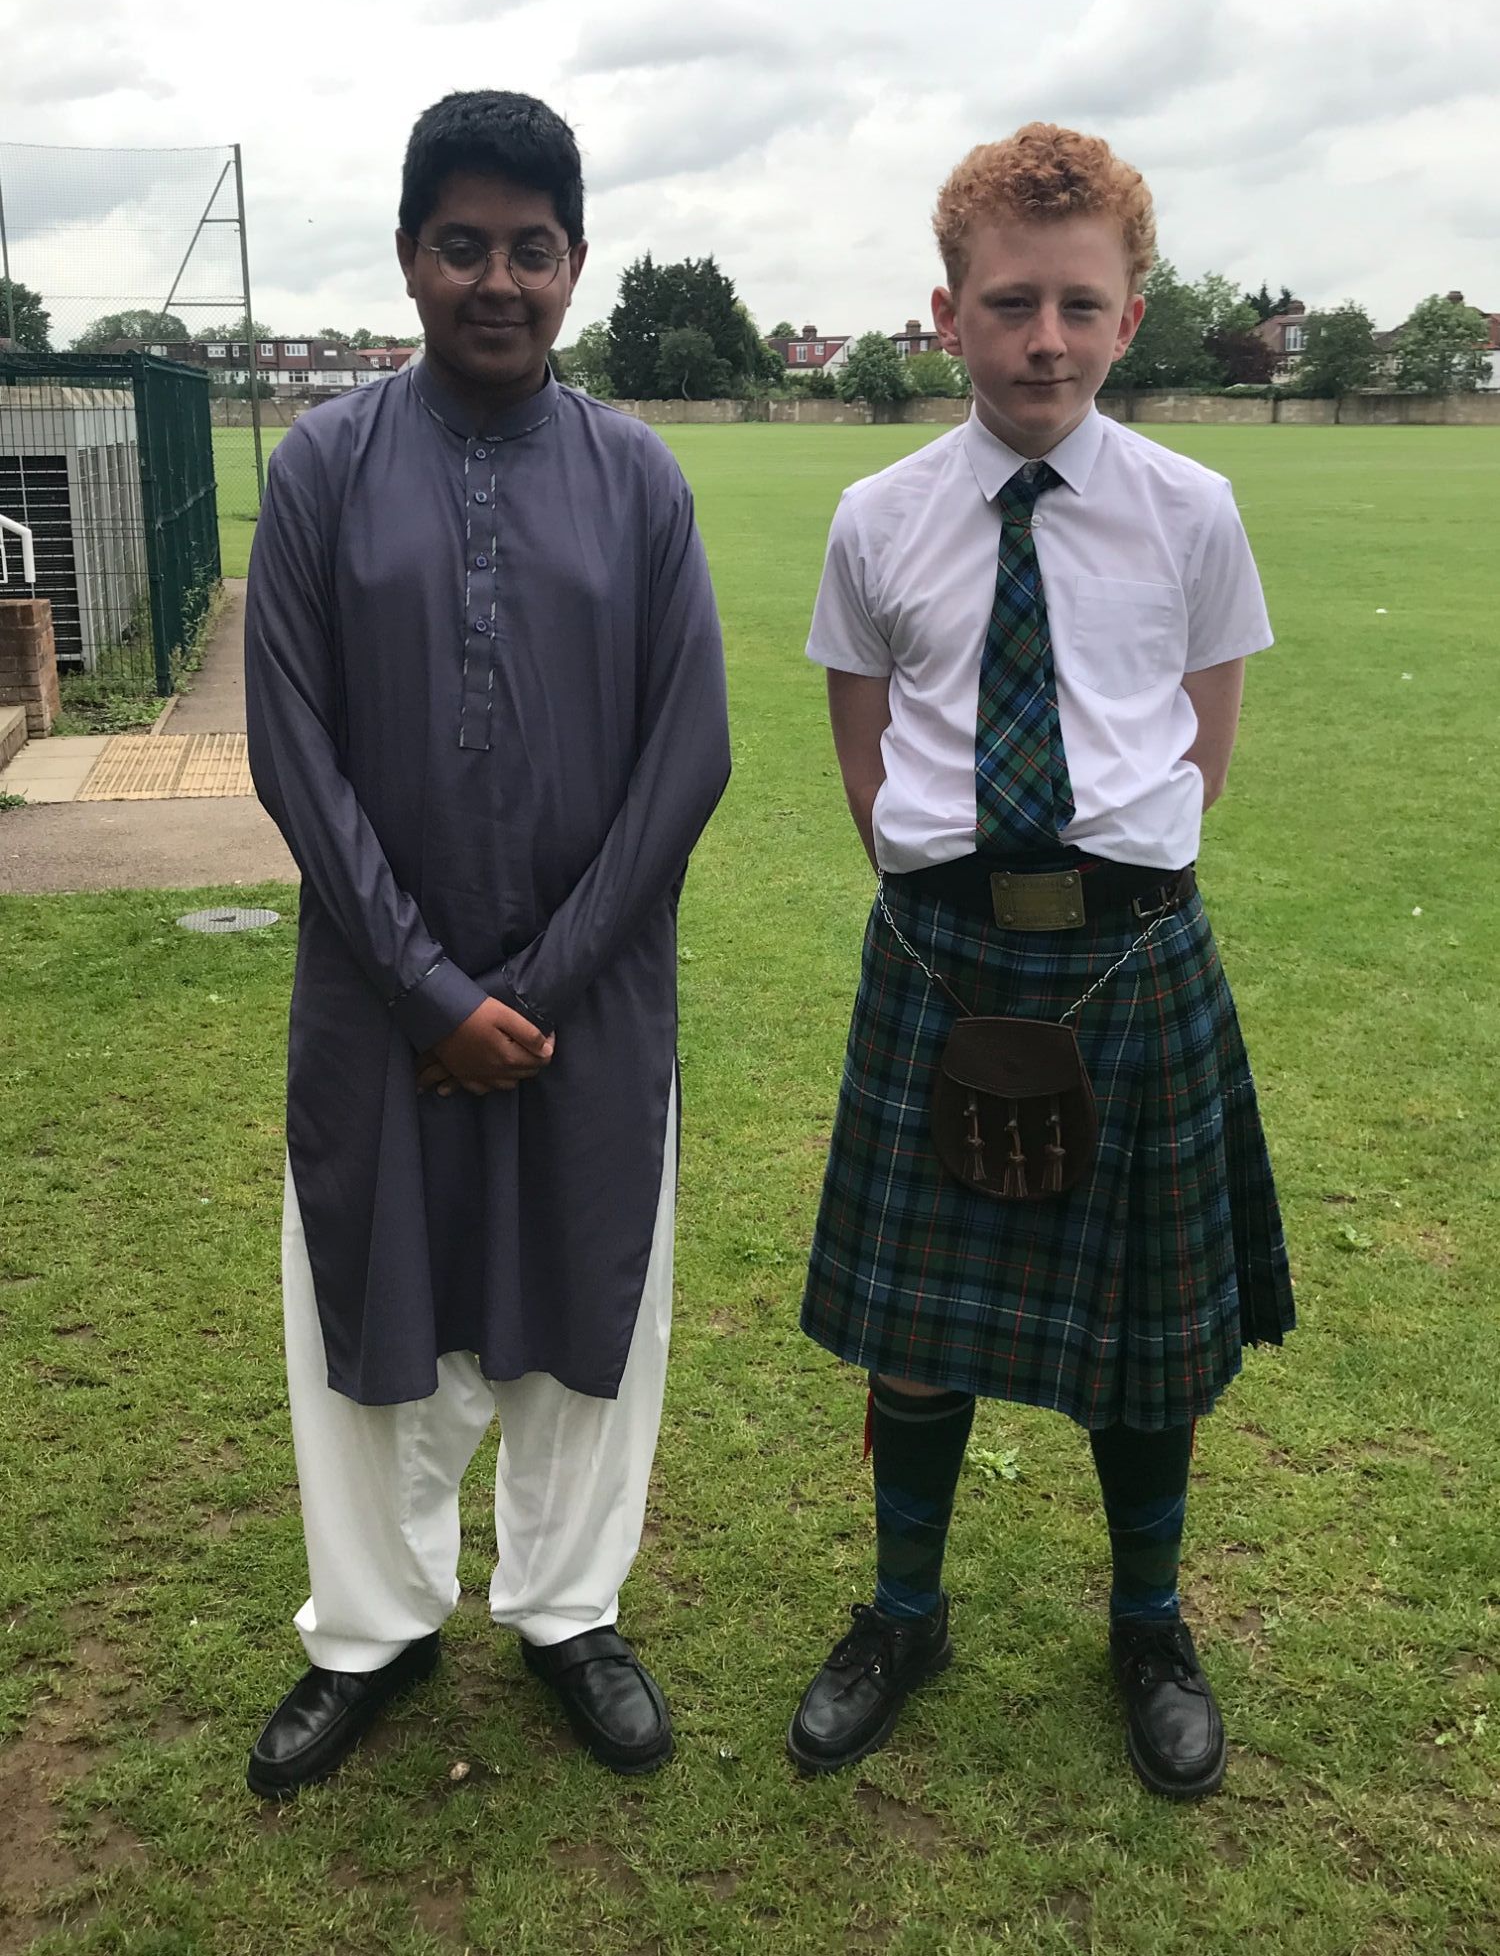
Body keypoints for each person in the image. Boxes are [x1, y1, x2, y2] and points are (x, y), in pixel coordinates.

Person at [787, 122, 1293, 1800]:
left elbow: (1200, 751)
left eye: (1081, 307)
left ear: (1132, 317)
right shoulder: (877, 518)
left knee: (1147, 1332)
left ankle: (1148, 1622)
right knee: (913, 1325)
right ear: (948, 314)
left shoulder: (1193, 510)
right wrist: (955, 904)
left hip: (1132, 957)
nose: (1046, 341)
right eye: (1011, 305)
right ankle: (905, 1611)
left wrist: (1104, 898)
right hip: (939, 957)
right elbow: (865, 756)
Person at [242, 89, 730, 1798]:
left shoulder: (639, 476)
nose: (498, 279)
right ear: (409, 261)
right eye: (465, 245)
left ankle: (567, 1611)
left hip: (589, 1012)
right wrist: (433, 994)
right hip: (379, 1010)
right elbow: (292, 749)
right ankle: (368, 1629)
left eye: (531, 247)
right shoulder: (320, 469)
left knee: (593, 1302)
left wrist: (544, 986)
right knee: (366, 1308)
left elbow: (690, 756)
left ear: (576, 264)